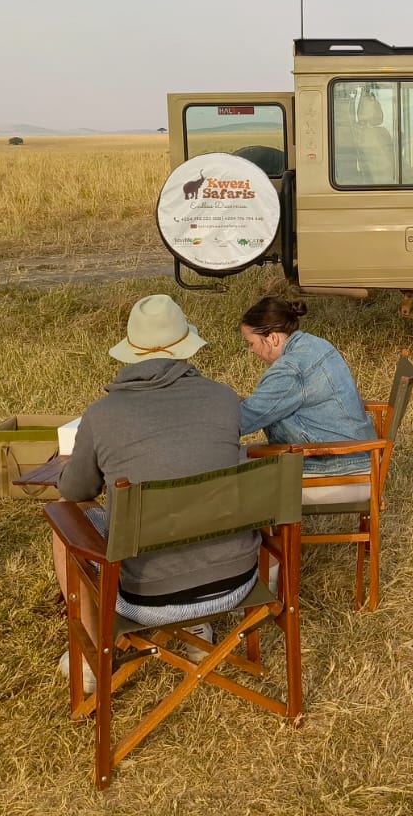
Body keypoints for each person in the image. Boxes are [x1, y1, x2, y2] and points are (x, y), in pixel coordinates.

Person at [52, 294, 259, 690]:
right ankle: (197, 629)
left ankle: (92, 653)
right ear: (185, 348)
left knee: (64, 515)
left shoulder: (102, 415)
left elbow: (77, 490)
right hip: (236, 581)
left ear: (131, 353)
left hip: (147, 597)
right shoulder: (224, 398)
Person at [238, 297, 377, 501]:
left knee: (227, 473)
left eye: (251, 343)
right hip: (362, 454)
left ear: (272, 338)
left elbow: (243, 420)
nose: (251, 350)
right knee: (239, 456)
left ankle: (259, 523)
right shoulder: (315, 344)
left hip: (343, 467)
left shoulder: (290, 369)